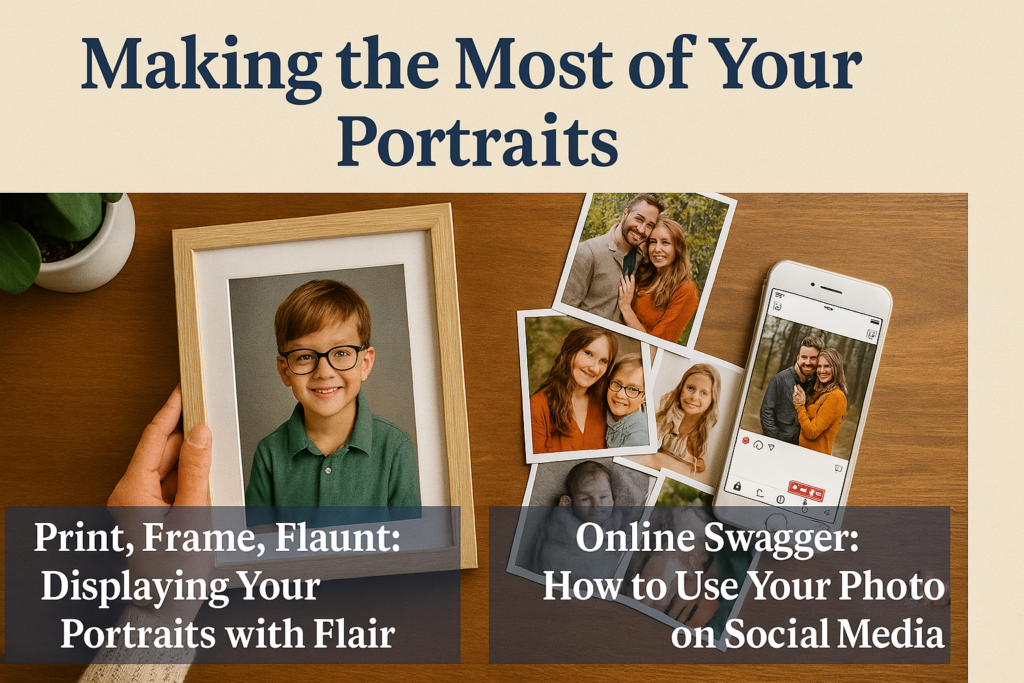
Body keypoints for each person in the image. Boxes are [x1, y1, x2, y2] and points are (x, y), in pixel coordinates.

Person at [245, 280, 421, 507]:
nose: (324, 372)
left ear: (364, 363)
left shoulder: (395, 446)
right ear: (285, 370)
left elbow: (413, 540)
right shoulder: (269, 453)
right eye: (305, 356)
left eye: (341, 353)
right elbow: (257, 541)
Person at [561, 193, 665, 324]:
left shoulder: (645, 261)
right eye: (639, 219)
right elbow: (564, 314)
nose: (642, 229)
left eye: (649, 225)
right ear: (625, 213)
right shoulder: (587, 252)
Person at [530, 325, 619, 454]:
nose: (595, 368)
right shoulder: (538, 405)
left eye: (603, 361)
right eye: (588, 353)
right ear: (569, 352)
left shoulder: (605, 404)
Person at [627, 363, 721, 479]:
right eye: (690, 388)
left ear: (712, 399)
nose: (694, 397)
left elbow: (703, 478)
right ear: (681, 388)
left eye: (704, 393)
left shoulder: (711, 436)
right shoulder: (664, 418)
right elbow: (641, 457)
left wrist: (660, 460)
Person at [534, 460, 623, 578]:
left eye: (603, 497)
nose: (596, 505)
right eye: (585, 499)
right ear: (568, 502)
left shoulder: (617, 519)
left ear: (613, 499)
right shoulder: (564, 521)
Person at [617, 217, 700, 343]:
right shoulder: (645, 276)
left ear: (678, 248)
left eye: (665, 242)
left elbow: (656, 343)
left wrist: (625, 308)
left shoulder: (685, 290)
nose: (657, 249)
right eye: (653, 242)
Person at [759, 335, 824, 444]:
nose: (808, 362)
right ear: (798, 358)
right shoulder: (779, 380)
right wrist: (776, 440)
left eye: (813, 358)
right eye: (804, 357)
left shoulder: (815, 383)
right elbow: (766, 413)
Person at [792, 347, 849, 455]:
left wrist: (799, 406)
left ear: (836, 368)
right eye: (819, 366)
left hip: (814, 457)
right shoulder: (819, 392)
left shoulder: (836, 396)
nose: (822, 371)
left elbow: (811, 432)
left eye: (827, 366)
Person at [604, 353, 649, 448]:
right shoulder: (602, 407)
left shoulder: (640, 432)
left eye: (633, 389)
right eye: (616, 383)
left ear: (645, 398)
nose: (620, 395)